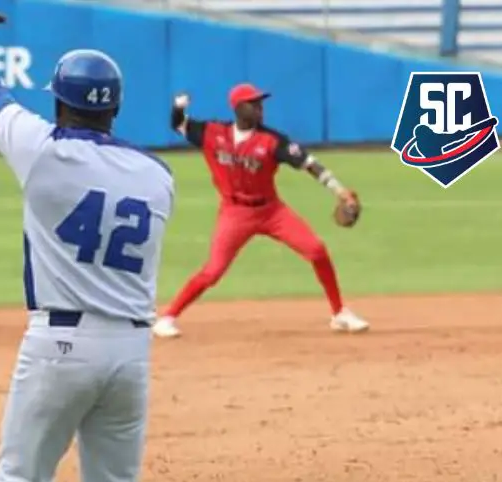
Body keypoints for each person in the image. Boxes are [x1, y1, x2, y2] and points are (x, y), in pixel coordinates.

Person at [0, 2, 174, 482]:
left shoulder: (42, 149)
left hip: (60, 345)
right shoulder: (158, 176)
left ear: (58, 103)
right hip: (131, 353)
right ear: (116, 107)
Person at [152, 85, 369, 338]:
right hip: (235, 213)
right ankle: (167, 317)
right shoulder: (213, 133)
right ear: (238, 108)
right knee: (213, 271)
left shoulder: (272, 140)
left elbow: (309, 164)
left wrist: (339, 190)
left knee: (316, 250)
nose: (259, 108)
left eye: (260, 103)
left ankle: (339, 313)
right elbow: (179, 124)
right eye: (253, 103)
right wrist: (178, 107)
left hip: (271, 211)